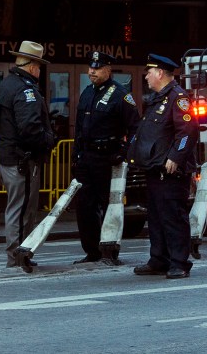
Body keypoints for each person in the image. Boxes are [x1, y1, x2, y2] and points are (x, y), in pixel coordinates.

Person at [127, 53, 199, 279]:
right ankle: (159, 259)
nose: (146, 76)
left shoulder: (178, 98)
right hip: (154, 168)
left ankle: (179, 262)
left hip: (170, 171)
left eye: (149, 72)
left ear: (159, 73)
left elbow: (188, 131)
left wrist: (176, 157)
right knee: (156, 217)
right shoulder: (158, 99)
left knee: (173, 216)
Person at [0, 40, 55, 267]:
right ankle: (18, 255)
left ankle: (18, 254)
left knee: (17, 206)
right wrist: (49, 142)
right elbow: (31, 130)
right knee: (23, 209)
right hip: (22, 160)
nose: (39, 71)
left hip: (7, 157)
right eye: (39, 66)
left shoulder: (3, 86)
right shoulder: (25, 90)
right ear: (32, 66)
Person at [72, 51, 140, 264]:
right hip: (86, 157)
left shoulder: (120, 95)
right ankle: (92, 251)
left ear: (108, 69)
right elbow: (79, 127)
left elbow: (135, 129)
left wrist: (123, 153)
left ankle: (110, 251)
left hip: (107, 158)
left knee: (109, 207)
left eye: (97, 67)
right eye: (91, 67)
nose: (92, 71)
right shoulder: (87, 92)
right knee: (85, 207)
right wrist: (76, 154)